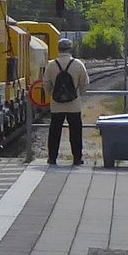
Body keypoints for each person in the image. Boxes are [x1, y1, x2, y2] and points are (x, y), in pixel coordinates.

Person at [42, 37, 89, 165]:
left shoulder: (51, 64)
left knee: (54, 131)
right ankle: (77, 158)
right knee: (75, 132)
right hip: (74, 105)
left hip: (56, 105)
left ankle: (52, 158)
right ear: (70, 49)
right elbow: (85, 84)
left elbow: (46, 84)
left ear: (58, 49)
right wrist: (78, 94)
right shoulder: (78, 64)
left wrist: (51, 93)